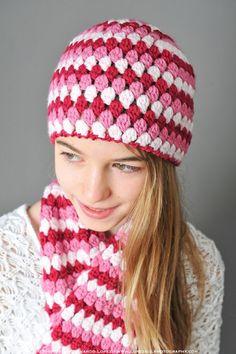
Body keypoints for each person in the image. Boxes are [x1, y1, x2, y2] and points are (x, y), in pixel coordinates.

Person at [0, 18, 225, 354]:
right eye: (72, 156)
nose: (93, 192)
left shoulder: (198, 262)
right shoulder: (7, 253)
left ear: (162, 168)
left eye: (123, 166)